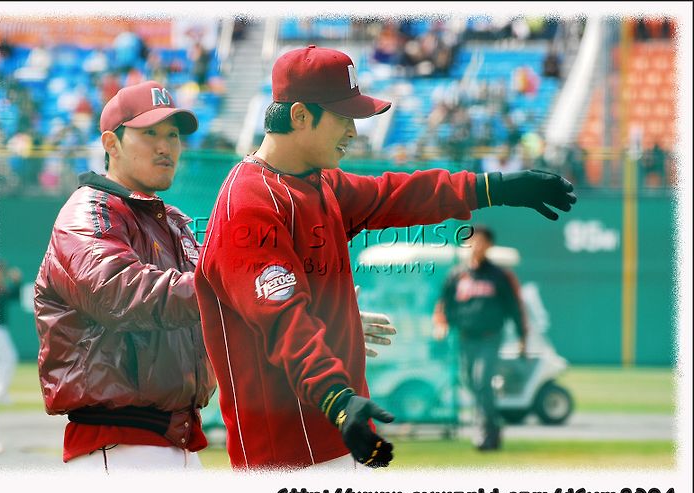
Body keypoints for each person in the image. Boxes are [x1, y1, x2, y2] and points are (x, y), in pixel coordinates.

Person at [193, 45, 576, 471]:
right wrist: (338, 399)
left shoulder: (320, 183)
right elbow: (284, 323)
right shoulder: (248, 204)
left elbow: (397, 194)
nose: (353, 131)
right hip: (289, 453)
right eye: (343, 117)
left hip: (339, 433)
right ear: (299, 116)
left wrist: (493, 188)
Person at [33, 80, 217, 472]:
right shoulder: (88, 212)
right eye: (150, 133)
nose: (166, 146)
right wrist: (225, 284)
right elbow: (120, 293)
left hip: (180, 440)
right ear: (111, 144)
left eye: (173, 135)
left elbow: (219, 306)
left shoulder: (173, 223)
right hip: (117, 447)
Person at [432, 226, 527, 450]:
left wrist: (522, 337)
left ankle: (486, 433)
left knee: (482, 380)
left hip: (490, 337)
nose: (476, 245)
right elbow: (444, 303)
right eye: (472, 241)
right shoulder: (457, 274)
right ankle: (492, 425)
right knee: (471, 382)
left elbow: (515, 307)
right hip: (466, 337)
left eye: (482, 241)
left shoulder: (499, 275)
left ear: (489, 245)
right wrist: (441, 323)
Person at [0, 261, 22, 406]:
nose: (0, 273)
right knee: (9, 357)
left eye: (1, 271)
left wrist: (16, 282)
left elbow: (14, 295)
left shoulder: (0, 287)